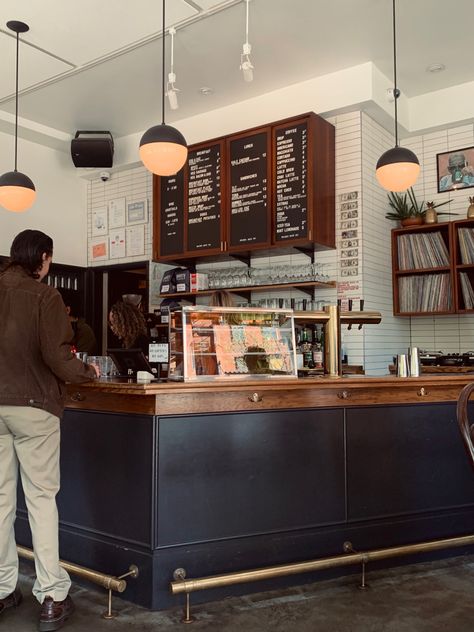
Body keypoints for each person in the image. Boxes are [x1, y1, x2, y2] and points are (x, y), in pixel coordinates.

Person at [0, 229, 98, 631]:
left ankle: (4, 587)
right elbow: (57, 356)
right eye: (49, 259)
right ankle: (52, 594)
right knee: (40, 499)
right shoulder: (45, 296)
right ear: (42, 257)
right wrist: (87, 373)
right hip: (34, 407)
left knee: (1, 499)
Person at [58, 288, 97, 355]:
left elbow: (78, 361)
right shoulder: (53, 328)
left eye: (53, 307)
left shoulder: (84, 332)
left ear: (67, 310)